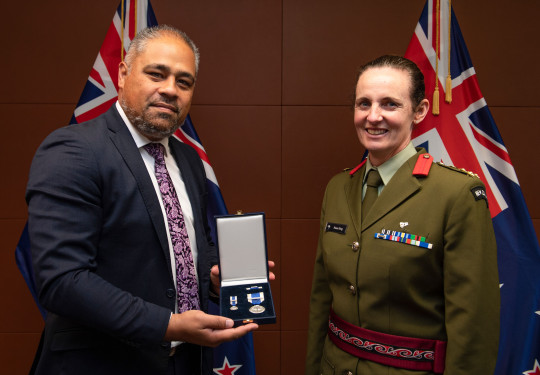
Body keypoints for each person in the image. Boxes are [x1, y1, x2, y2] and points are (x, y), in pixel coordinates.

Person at [26, 25, 266, 375]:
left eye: (184, 82)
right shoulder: (74, 151)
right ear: (123, 74)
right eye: (157, 74)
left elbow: (190, 250)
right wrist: (168, 325)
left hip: (186, 362)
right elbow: (62, 280)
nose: (170, 90)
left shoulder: (188, 160)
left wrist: (217, 277)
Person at [305, 55, 499, 375]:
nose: (373, 116)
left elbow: (474, 326)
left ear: (419, 111)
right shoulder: (338, 188)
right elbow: (321, 300)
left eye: (390, 104)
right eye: (363, 103)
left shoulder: (456, 195)